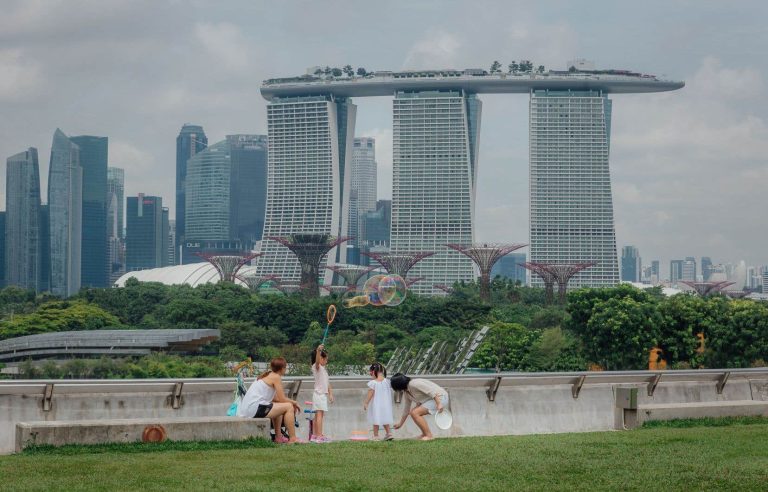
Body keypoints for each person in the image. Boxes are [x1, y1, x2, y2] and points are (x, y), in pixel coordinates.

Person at [237, 357, 303, 444]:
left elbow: (276, 399)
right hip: (254, 409)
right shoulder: (276, 377)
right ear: (282, 368)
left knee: (279, 406)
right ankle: (293, 438)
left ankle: (278, 437)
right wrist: (294, 402)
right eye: (285, 367)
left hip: (250, 409)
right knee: (289, 407)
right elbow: (282, 398)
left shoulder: (269, 375)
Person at [391, 373, 448, 441]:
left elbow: (432, 392)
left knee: (415, 412)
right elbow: (406, 409)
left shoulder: (414, 384)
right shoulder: (407, 393)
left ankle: (429, 435)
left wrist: (439, 404)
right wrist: (400, 424)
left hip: (440, 398)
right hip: (432, 400)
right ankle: (424, 434)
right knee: (413, 412)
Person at [363, 362, 394, 441]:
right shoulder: (387, 382)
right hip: (386, 405)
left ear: (373, 372)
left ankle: (376, 436)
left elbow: (370, 394)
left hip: (376, 405)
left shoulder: (373, 383)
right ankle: (389, 433)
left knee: (375, 419)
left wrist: (366, 403)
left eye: (371, 373)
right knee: (385, 419)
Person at [310, 344, 334, 443]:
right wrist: (319, 351)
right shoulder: (316, 367)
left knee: (318, 415)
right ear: (320, 358)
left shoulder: (323, 370)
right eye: (325, 359)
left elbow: (327, 383)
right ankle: (319, 436)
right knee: (319, 415)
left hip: (321, 395)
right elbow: (316, 362)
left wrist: (330, 394)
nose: (326, 361)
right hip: (319, 395)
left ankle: (315, 435)